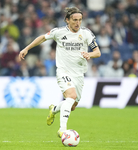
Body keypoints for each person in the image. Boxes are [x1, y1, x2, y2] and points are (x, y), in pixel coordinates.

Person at [18, 7, 101, 138]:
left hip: (79, 73)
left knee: (72, 105)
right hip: (63, 71)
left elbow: (98, 52)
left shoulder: (86, 33)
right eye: (74, 20)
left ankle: (54, 109)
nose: (77, 23)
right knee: (71, 96)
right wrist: (26, 48)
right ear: (67, 20)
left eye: (80, 20)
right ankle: (62, 130)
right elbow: (42, 38)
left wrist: (89, 54)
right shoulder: (59, 32)